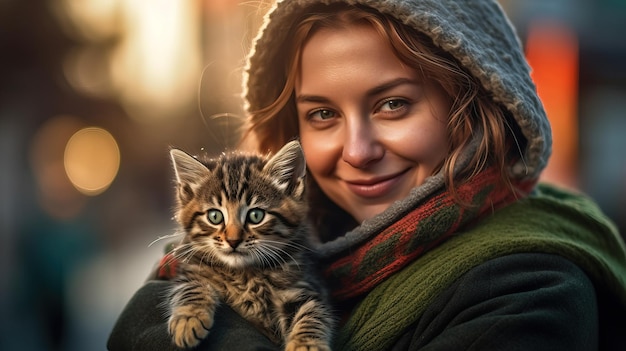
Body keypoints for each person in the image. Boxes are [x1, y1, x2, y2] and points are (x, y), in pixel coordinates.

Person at [108, 0, 626, 350]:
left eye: (393, 104)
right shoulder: (313, 244)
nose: (357, 150)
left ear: (476, 107)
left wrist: (156, 318)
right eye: (322, 115)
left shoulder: (531, 287)